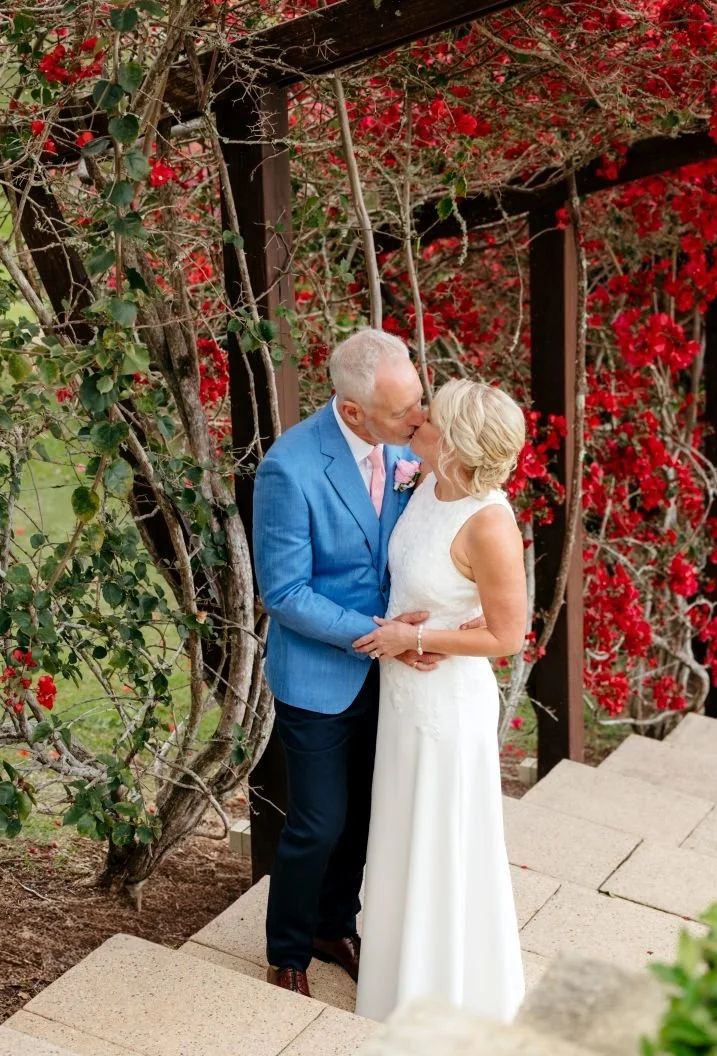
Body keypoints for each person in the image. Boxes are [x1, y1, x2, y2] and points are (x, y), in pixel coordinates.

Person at [250, 328, 442, 998]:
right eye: (403, 412)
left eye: (418, 401)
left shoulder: (403, 449)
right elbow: (285, 593)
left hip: (390, 676)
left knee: (366, 813)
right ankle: (290, 948)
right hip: (319, 676)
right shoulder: (289, 469)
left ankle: (338, 926)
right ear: (353, 411)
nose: (419, 418)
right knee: (319, 820)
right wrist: (379, 632)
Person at [351, 378, 529, 1023]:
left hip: (445, 708)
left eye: (433, 414)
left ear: (452, 441)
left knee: (442, 839)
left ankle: (446, 990)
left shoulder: (489, 523)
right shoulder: (425, 482)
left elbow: (508, 634)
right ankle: (397, 973)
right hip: (403, 695)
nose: (419, 416)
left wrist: (417, 635)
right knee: (400, 829)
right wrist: (401, 632)